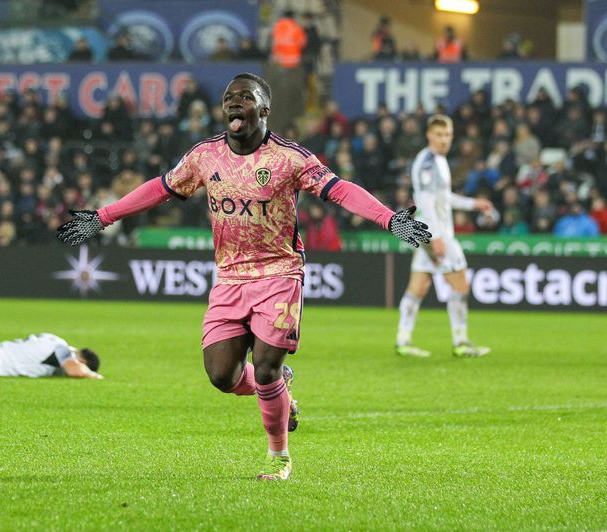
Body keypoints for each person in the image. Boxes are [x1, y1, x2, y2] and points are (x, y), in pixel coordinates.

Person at [56, 73, 430, 481]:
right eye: (229, 98)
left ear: (264, 109)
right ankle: (281, 389)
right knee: (221, 376)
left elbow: (340, 190)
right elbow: (160, 188)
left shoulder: (290, 159)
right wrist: (103, 216)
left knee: (265, 366)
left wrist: (389, 218)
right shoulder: (204, 156)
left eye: (245, 98)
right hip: (230, 277)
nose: (234, 103)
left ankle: (279, 456)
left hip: (279, 273)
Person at [396, 115, 493, 359]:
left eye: (447, 135)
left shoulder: (438, 160)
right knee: (460, 284)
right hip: (437, 234)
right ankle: (460, 341)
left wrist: (473, 204)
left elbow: (443, 198)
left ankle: (403, 341)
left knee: (418, 287)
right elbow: (426, 203)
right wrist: (436, 236)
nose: (444, 139)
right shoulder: (428, 162)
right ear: (429, 135)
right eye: (439, 135)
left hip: (428, 233)